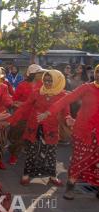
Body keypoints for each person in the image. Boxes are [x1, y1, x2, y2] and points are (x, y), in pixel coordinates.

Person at [38, 64, 99, 200]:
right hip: (83, 131)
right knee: (79, 159)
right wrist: (49, 112)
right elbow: (66, 99)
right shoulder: (86, 88)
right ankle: (70, 186)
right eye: (98, 72)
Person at [9, 70, 70, 186]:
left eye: (50, 81)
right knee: (32, 151)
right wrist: (11, 120)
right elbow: (25, 107)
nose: (47, 83)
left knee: (51, 153)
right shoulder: (37, 93)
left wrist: (68, 119)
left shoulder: (63, 95)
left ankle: (52, 176)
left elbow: (66, 113)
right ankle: (26, 175)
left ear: (58, 81)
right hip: (34, 127)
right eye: (45, 80)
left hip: (51, 129)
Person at [8, 64, 45, 165]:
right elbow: (14, 100)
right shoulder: (22, 85)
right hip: (23, 115)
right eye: (39, 73)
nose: (42, 75)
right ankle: (14, 155)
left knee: (34, 137)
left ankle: (29, 152)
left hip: (37, 116)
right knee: (19, 137)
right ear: (33, 74)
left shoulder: (43, 85)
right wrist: (18, 104)